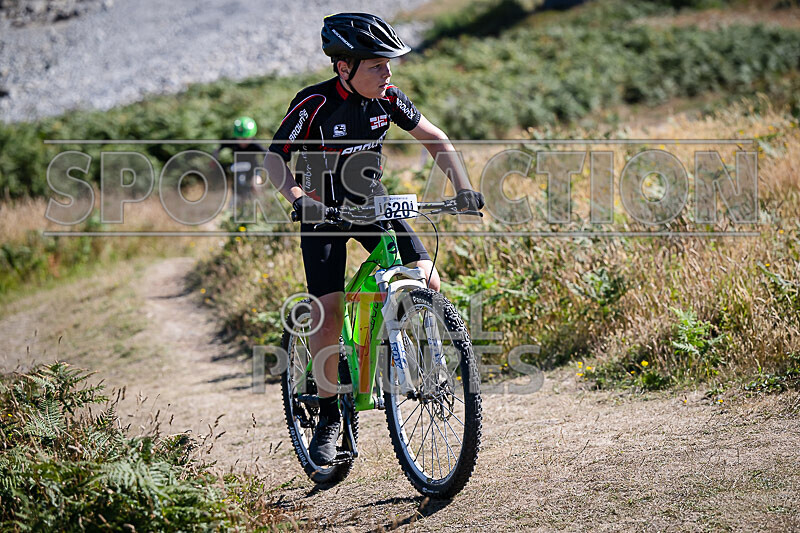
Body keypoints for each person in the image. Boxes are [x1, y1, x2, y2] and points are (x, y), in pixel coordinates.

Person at [263, 13, 484, 465]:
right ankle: (327, 413)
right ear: (344, 68)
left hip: (370, 202)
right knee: (327, 309)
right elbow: (273, 161)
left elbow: (435, 139)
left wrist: (462, 188)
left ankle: (399, 349)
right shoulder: (314, 104)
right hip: (321, 210)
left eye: (389, 66)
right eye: (377, 66)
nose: (388, 75)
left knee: (428, 280)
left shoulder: (389, 99)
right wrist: (299, 196)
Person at [213, 116, 266, 212]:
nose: (243, 142)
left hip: (253, 170)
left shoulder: (255, 144)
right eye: (240, 138)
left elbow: (266, 153)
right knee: (235, 191)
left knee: (256, 184)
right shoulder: (232, 142)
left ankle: (261, 207)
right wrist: (215, 157)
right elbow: (219, 147)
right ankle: (231, 212)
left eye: (246, 139)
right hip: (238, 168)